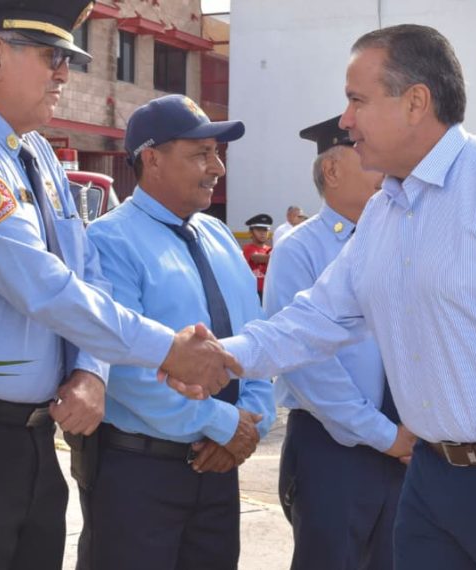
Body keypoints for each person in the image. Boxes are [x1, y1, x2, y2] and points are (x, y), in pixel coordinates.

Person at [206, 24, 476, 569]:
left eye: (357, 100)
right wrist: (223, 356)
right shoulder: (384, 212)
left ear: (416, 102)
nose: (346, 119)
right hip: (431, 482)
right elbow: (316, 318)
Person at [0, 1, 241, 568]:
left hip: (30, 436)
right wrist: (169, 350)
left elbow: (84, 270)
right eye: (52, 57)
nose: (63, 74)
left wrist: (89, 371)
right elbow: (44, 286)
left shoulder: (35, 152)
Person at [77, 94, 276, 570]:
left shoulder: (220, 237)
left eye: (217, 154)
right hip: (139, 476)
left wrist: (249, 423)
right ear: (152, 159)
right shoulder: (108, 241)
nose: (217, 168)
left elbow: (256, 340)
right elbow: (124, 367)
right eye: (200, 154)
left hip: (221, 469)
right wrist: (224, 424)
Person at [265, 115, 409, 570]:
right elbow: (306, 364)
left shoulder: (401, 239)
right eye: (365, 157)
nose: (382, 171)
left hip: (408, 445)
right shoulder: (301, 249)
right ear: (331, 172)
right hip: (335, 448)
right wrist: (387, 436)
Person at [243, 213, 273, 298]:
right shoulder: (248, 248)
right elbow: (257, 258)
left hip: (268, 291)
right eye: (259, 230)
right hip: (253, 292)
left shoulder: (270, 250)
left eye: (265, 230)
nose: (263, 233)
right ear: (251, 232)